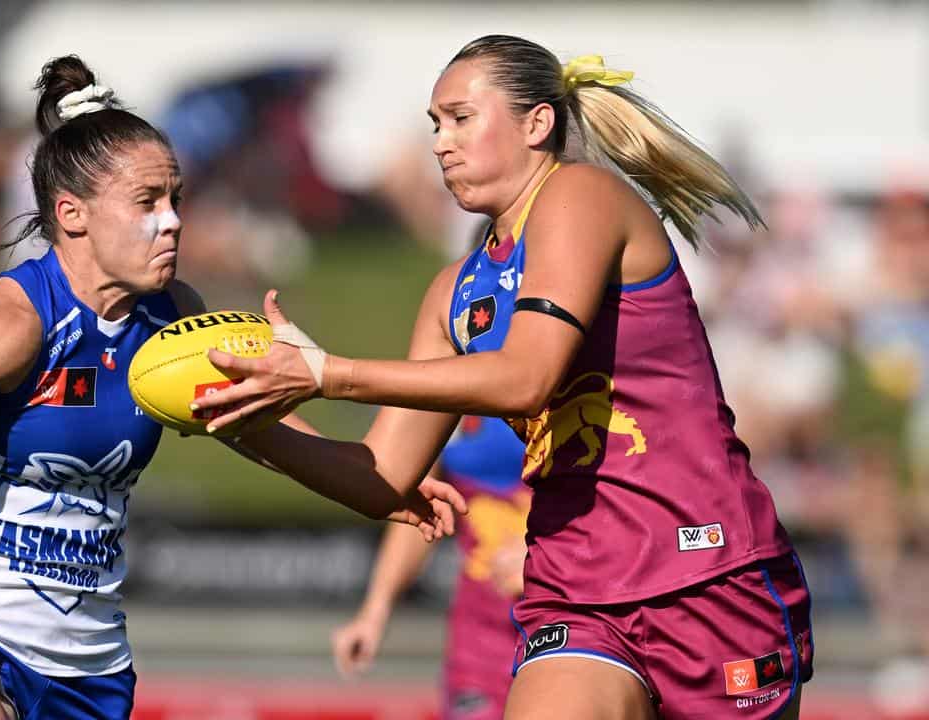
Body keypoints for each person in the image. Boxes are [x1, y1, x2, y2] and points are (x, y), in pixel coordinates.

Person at [0, 55, 464, 720]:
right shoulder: (11, 324)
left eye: (176, 198)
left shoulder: (174, 319)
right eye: (147, 202)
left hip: (89, 668)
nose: (174, 220)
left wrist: (384, 486)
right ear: (72, 214)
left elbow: (274, 442)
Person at [193, 35, 814, 720]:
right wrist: (246, 419)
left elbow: (526, 379)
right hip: (575, 592)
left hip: (704, 575)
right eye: (434, 124)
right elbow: (380, 477)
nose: (439, 142)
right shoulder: (451, 292)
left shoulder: (583, 196)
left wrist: (326, 374)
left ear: (536, 124)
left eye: (461, 117)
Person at [332, 414, 528, 720]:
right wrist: (375, 610)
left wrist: (546, 553)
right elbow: (419, 511)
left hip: (569, 625)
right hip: (479, 638)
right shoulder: (447, 383)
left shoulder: (584, 379)